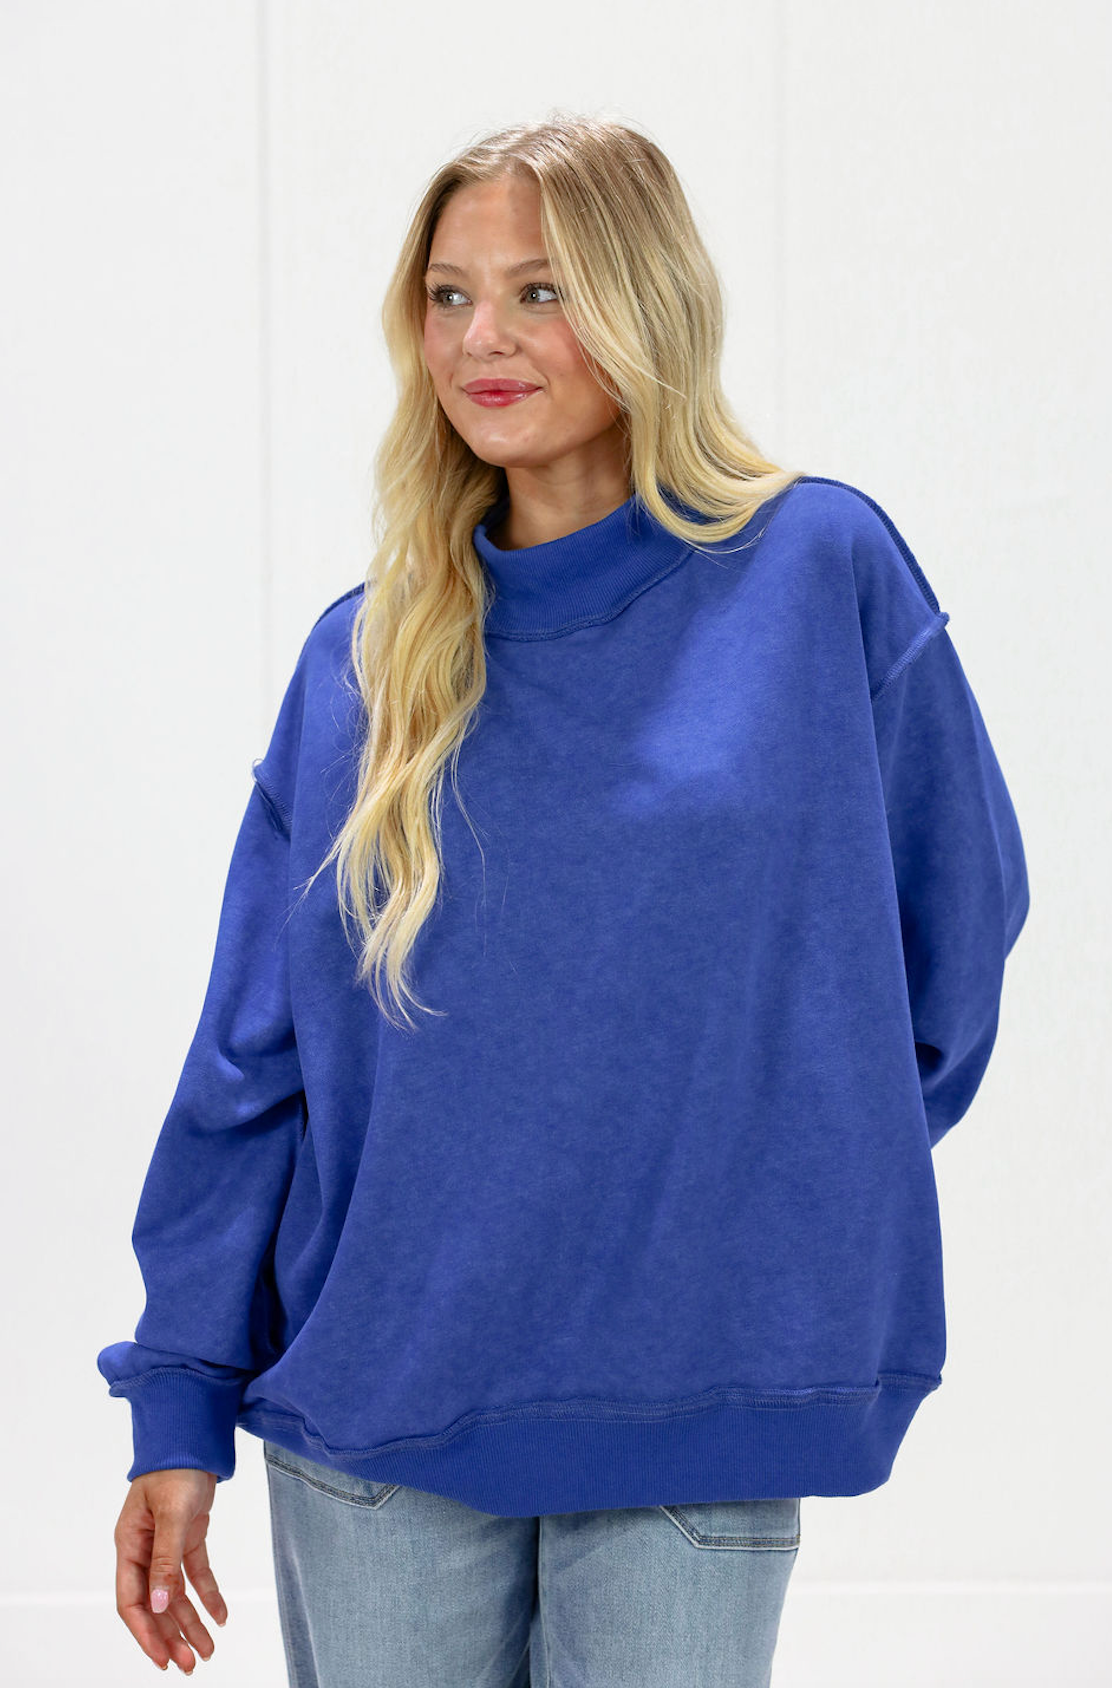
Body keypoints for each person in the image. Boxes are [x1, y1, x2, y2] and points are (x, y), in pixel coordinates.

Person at [97, 113, 1030, 1686]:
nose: (484, 338)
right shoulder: (363, 659)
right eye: (448, 296)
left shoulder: (819, 572)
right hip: (377, 1413)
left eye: (541, 290)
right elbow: (250, 1061)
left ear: (645, 300)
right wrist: (177, 1397)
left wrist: (770, 1182)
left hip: (697, 1399)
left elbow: (955, 938)